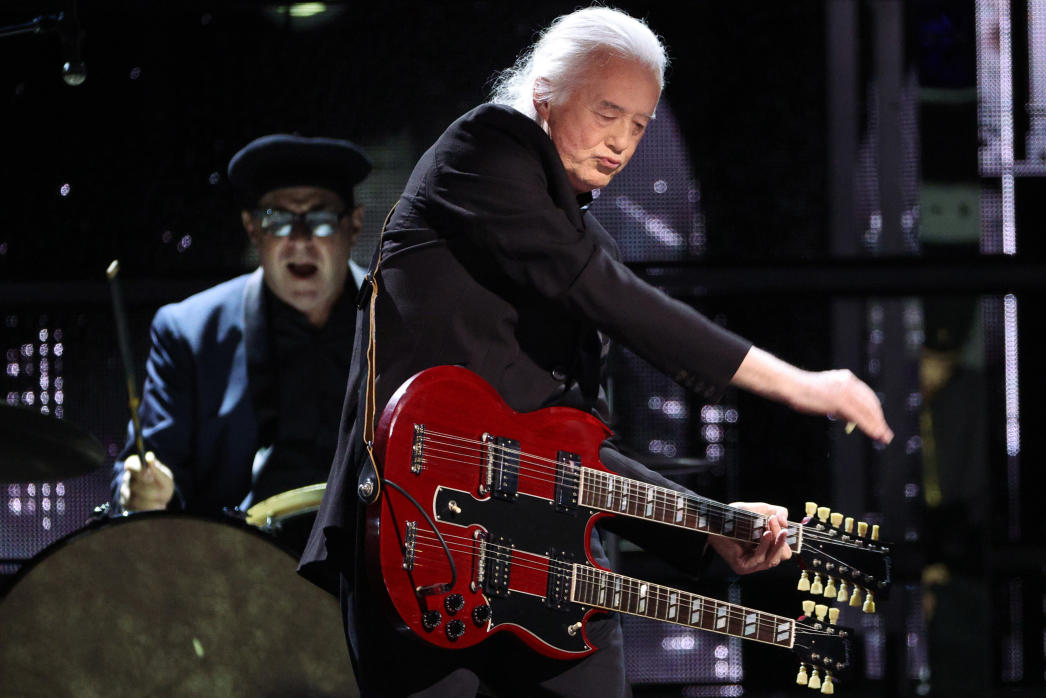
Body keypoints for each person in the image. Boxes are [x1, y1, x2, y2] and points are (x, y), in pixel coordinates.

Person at [298, 6, 894, 696]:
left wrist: (706, 530)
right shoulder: (482, 150)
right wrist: (796, 383)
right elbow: (610, 293)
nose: (621, 143)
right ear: (546, 95)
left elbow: (572, 441)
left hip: (549, 563)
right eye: (606, 114)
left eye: (639, 125)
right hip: (423, 543)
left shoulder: (584, 250)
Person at [110, 134, 372, 552]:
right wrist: (145, 491)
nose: (300, 239)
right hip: (234, 576)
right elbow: (154, 469)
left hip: (372, 573)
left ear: (354, 225)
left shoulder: (398, 322)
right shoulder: (187, 332)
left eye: (320, 219)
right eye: (278, 220)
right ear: (252, 229)